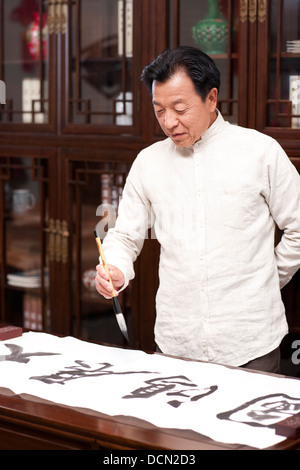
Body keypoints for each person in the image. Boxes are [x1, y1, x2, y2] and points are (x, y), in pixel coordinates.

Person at [95, 46, 300, 373]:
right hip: (177, 342)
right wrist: (115, 268)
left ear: (211, 98)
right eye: (159, 110)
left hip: (250, 342)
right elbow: (125, 235)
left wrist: (268, 280)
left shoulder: (260, 152)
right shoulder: (149, 162)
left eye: (179, 108)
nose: (169, 122)